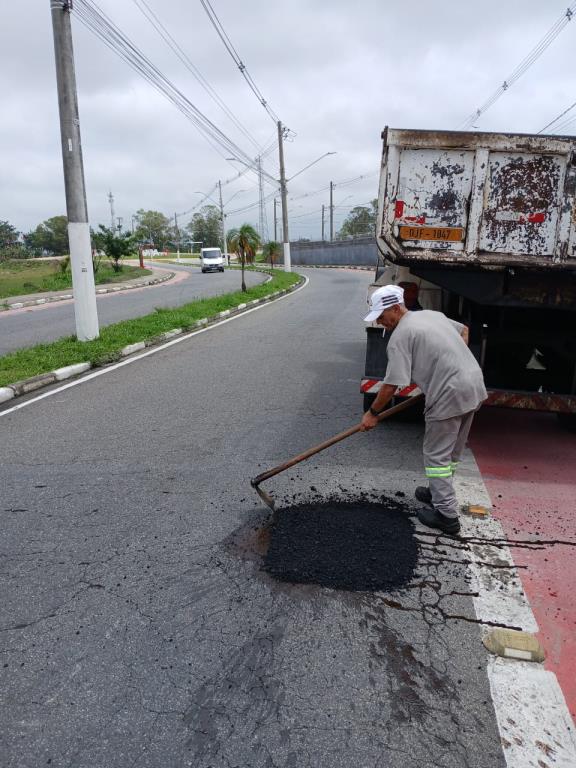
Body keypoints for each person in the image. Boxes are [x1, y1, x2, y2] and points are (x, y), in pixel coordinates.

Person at [361, 285, 487, 535]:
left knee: (436, 457)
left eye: (381, 316)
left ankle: (446, 515)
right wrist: (448, 365)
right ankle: (438, 491)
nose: (379, 322)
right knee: (451, 451)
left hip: (448, 394)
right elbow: (464, 330)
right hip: (473, 384)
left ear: (396, 308)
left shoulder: (400, 337)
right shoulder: (431, 315)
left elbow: (391, 385)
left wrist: (372, 413)